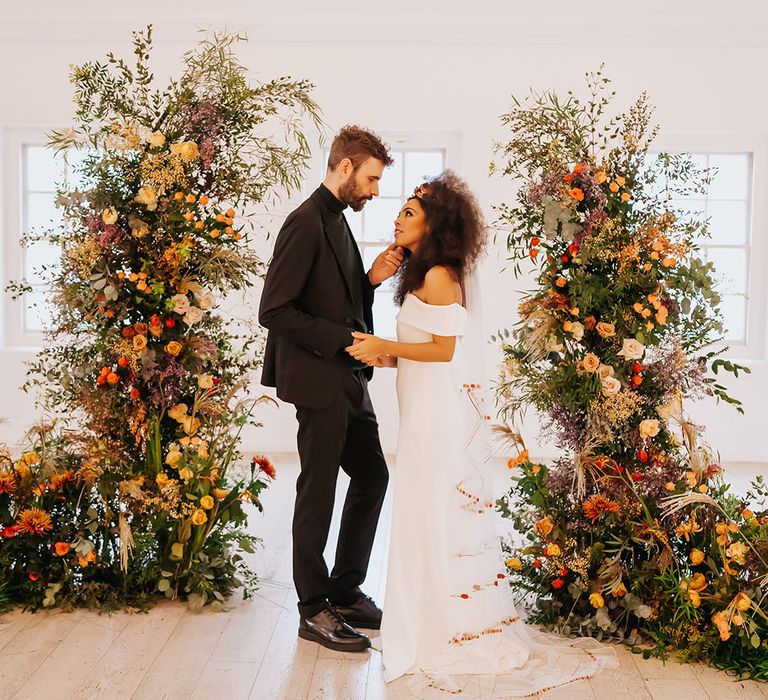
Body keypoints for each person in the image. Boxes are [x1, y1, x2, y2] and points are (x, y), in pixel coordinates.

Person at [346, 171, 616, 696]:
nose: (398, 216)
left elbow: (444, 354)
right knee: (425, 517)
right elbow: (429, 354)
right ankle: (424, 624)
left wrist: (385, 347)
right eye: (401, 208)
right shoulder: (421, 274)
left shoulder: (442, 275)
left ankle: (442, 631)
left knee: (433, 518)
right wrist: (389, 355)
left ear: (435, 223)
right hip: (424, 412)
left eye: (410, 211)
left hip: (437, 421)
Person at [258, 125, 404, 653]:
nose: (374, 190)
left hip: (347, 378)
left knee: (372, 474)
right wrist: (347, 340)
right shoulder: (304, 223)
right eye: (370, 178)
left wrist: (370, 281)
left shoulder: (338, 221)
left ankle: (344, 591)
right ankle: (313, 608)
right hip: (319, 381)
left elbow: (332, 300)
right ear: (344, 168)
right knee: (317, 492)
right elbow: (273, 310)